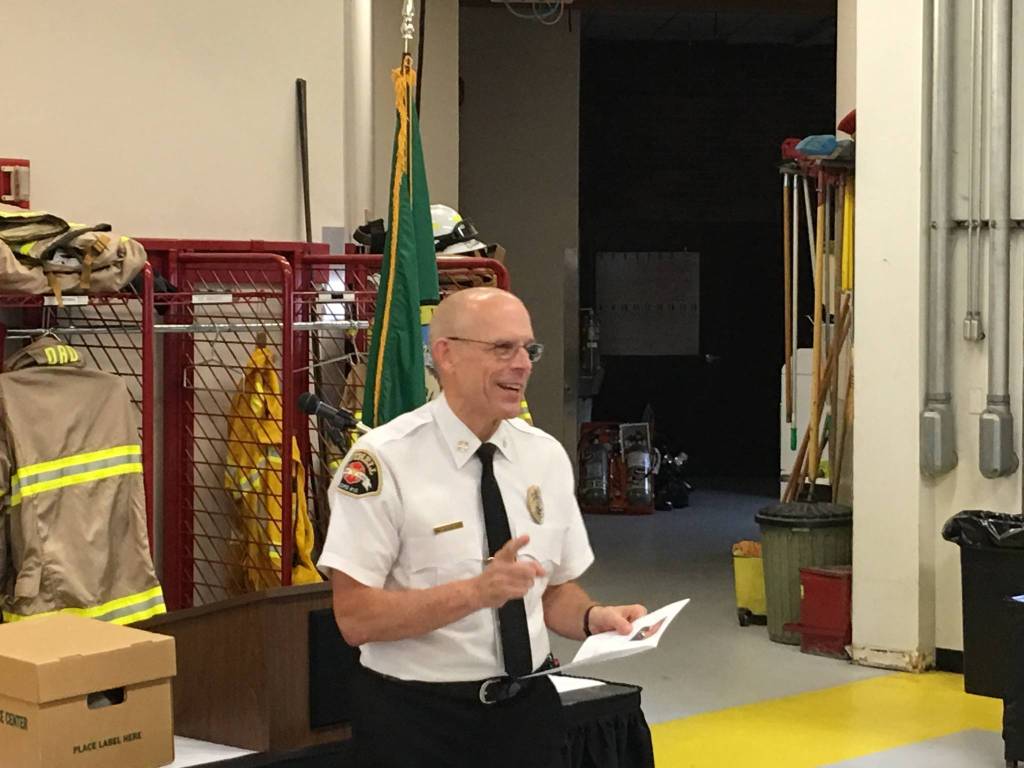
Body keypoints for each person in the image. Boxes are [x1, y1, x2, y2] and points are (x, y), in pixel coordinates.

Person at [318, 287, 647, 768]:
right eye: (502, 348)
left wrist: (594, 618)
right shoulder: (383, 463)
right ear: (445, 354)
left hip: (527, 714)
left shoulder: (545, 457)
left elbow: (551, 591)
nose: (523, 365)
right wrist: (476, 592)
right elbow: (355, 618)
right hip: (417, 720)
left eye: (528, 349)